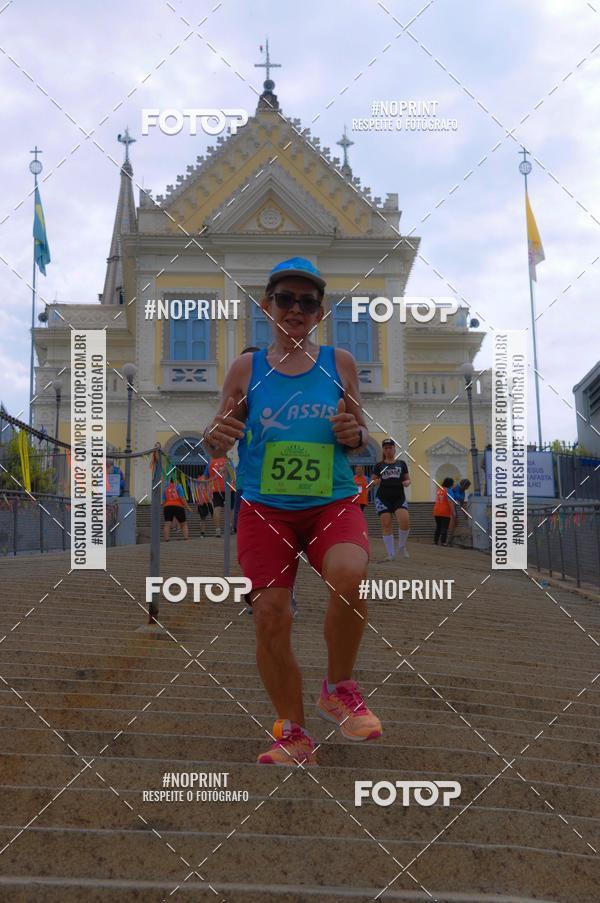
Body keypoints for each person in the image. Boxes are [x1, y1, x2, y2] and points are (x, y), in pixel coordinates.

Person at [202, 256, 381, 766]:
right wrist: (216, 439)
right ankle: (293, 732)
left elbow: (359, 434)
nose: (296, 309)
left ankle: (338, 687)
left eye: (308, 301)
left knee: (349, 576)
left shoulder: (339, 362)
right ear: (267, 307)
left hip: (331, 500)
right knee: (269, 614)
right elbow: (219, 438)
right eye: (286, 299)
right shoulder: (246, 368)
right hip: (265, 509)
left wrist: (356, 435)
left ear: (320, 312)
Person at [372, 439, 411, 560]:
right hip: (383, 498)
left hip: (399, 496)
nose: (388, 450)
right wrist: (375, 481)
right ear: (383, 450)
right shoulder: (379, 465)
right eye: (386, 448)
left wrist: (407, 482)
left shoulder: (401, 464)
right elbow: (373, 480)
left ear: (394, 449)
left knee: (404, 521)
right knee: (386, 524)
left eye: (390, 447)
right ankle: (391, 553)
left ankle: (402, 546)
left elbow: (407, 479)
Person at [162, 477, 190, 541]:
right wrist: (188, 507)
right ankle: (186, 538)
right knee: (184, 524)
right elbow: (182, 498)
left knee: (167, 524)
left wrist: (164, 508)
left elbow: (163, 501)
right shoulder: (178, 487)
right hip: (178, 506)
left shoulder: (165, 488)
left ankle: (166, 539)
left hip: (167, 506)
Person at [208, 455, 228, 537]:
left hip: (216, 488)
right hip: (228, 487)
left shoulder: (211, 462)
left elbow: (208, 477)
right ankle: (230, 527)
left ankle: (217, 530)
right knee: (230, 508)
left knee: (216, 509)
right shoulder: (227, 461)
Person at [447, 478, 471, 546]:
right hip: (448, 503)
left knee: (456, 522)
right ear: (464, 485)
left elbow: (462, 504)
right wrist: (453, 512)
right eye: (467, 486)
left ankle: (450, 539)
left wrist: (465, 514)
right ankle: (447, 539)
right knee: (453, 520)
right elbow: (450, 499)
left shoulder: (463, 492)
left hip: (453, 505)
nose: (467, 488)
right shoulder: (455, 487)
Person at [433, 477, 454, 546]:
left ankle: (435, 541)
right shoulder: (449, 490)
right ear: (450, 484)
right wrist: (453, 512)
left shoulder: (439, 490)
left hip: (436, 511)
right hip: (445, 511)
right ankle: (443, 542)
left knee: (438, 527)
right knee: (444, 527)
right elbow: (450, 501)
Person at [195, 471, 213, 538]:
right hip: (206, 501)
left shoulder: (198, 482)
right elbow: (211, 492)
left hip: (202, 502)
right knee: (205, 518)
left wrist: (197, 505)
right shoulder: (209, 480)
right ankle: (217, 529)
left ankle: (202, 533)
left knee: (203, 518)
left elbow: (197, 493)